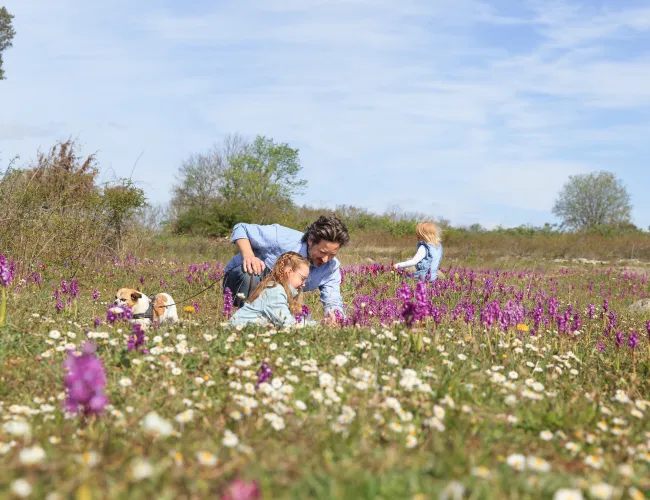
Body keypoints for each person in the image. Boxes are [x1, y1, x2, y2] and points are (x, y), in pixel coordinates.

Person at [222, 215, 349, 322]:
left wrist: (335, 315)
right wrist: (249, 256)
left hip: (278, 293)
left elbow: (332, 298)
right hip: (241, 279)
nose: (326, 259)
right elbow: (241, 228)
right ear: (311, 241)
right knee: (252, 272)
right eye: (322, 252)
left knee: (299, 315)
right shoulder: (281, 238)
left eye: (332, 254)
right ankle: (246, 322)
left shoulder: (331, 267)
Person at [229, 252, 309, 329]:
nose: (304, 284)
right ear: (289, 272)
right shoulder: (275, 291)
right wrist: (318, 325)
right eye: (302, 279)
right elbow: (287, 323)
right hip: (237, 331)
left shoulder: (278, 290)